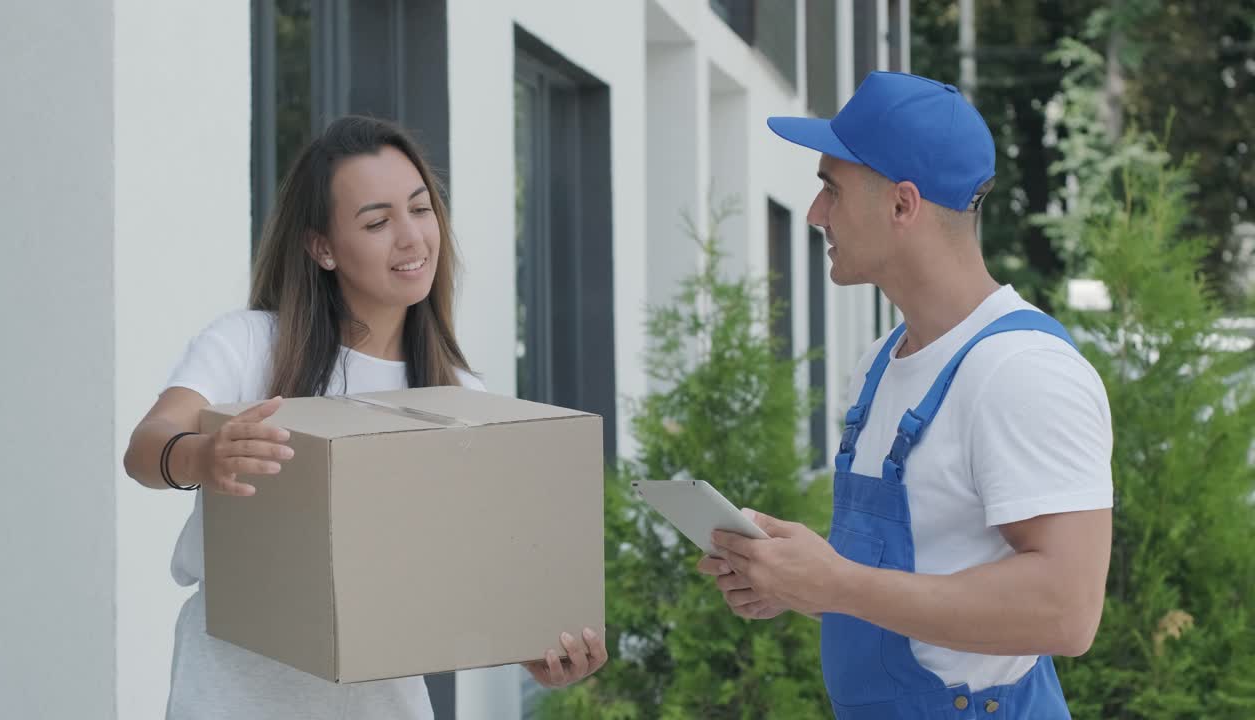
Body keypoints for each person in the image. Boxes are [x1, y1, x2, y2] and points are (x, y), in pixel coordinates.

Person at [123, 115, 606, 720]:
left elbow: (464, 572)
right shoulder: (249, 344)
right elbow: (145, 447)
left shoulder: (457, 390)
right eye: (377, 222)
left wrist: (529, 644)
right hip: (230, 697)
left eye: (421, 209)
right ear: (321, 246)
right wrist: (200, 455)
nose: (412, 238)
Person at [699, 71, 1113, 718]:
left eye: (829, 190)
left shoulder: (1022, 372)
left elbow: (1067, 609)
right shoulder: (879, 364)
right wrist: (802, 584)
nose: (813, 215)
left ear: (902, 205)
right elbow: (918, 577)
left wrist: (841, 583)